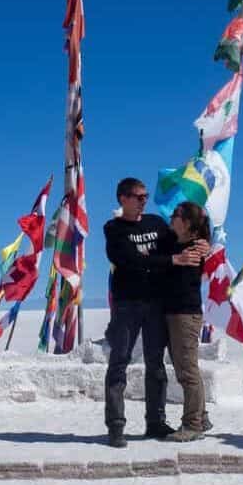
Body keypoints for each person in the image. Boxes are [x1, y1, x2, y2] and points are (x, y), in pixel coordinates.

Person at [101, 177, 206, 448]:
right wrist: (171, 260)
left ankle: (155, 421)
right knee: (119, 363)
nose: (143, 201)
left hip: (156, 304)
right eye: (138, 196)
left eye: (145, 196)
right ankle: (116, 426)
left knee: (156, 365)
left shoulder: (157, 224)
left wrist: (204, 242)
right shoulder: (113, 228)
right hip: (127, 305)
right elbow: (128, 259)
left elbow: (185, 237)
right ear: (123, 198)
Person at [163, 201, 212, 442]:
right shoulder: (176, 243)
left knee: (187, 370)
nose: (171, 218)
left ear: (188, 223)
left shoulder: (194, 249)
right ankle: (200, 417)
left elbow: (172, 277)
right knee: (186, 368)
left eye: (176, 215)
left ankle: (193, 424)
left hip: (185, 314)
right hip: (176, 313)